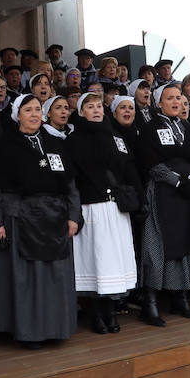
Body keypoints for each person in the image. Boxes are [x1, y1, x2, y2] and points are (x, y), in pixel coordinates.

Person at [0, 95, 81, 347]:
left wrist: (74, 216)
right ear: (18, 115)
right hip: (20, 217)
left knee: (54, 277)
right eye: (28, 110)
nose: (34, 114)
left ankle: (55, 328)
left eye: (38, 109)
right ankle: (30, 332)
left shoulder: (55, 143)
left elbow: (70, 184)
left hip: (55, 219)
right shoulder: (4, 145)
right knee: (28, 278)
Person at [136, 82, 190, 324]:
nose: (175, 101)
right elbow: (151, 163)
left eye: (178, 97)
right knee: (158, 245)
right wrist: (176, 181)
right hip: (163, 193)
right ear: (159, 103)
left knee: (187, 242)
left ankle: (181, 298)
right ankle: (150, 304)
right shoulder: (149, 129)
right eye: (169, 98)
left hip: (189, 195)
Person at [66, 92, 138, 333]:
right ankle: (96, 313)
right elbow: (73, 177)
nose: (96, 110)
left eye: (99, 106)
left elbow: (127, 166)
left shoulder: (114, 135)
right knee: (95, 260)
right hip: (92, 207)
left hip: (115, 208)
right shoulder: (74, 139)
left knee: (114, 261)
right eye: (90, 106)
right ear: (81, 111)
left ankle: (111, 311)